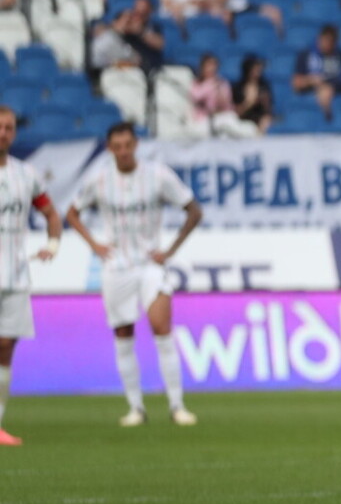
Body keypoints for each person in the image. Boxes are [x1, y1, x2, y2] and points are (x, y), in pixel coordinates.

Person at [65, 122, 203, 428]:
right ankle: (136, 407)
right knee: (123, 335)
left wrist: (170, 250)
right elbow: (72, 213)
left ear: (136, 145)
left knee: (161, 328)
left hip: (150, 264)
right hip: (116, 266)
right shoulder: (99, 180)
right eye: (118, 146)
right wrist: (94, 245)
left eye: (128, 145)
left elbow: (194, 210)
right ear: (109, 148)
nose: (124, 152)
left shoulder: (158, 175)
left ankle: (177, 405)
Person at [0, 106, 61, 444]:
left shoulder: (26, 174)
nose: (3, 133)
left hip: (15, 274)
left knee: (6, 346)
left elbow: (51, 213)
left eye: (8, 127)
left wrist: (53, 244)